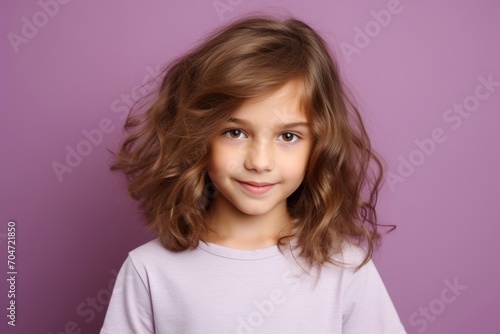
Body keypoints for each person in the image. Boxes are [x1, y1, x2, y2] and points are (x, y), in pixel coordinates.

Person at [100, 15, 407, 334]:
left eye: (288, 136)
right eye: (235, 132)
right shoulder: (150, 270)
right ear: (198, 137)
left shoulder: (345, 269)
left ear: (318, 146)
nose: (260, 162)